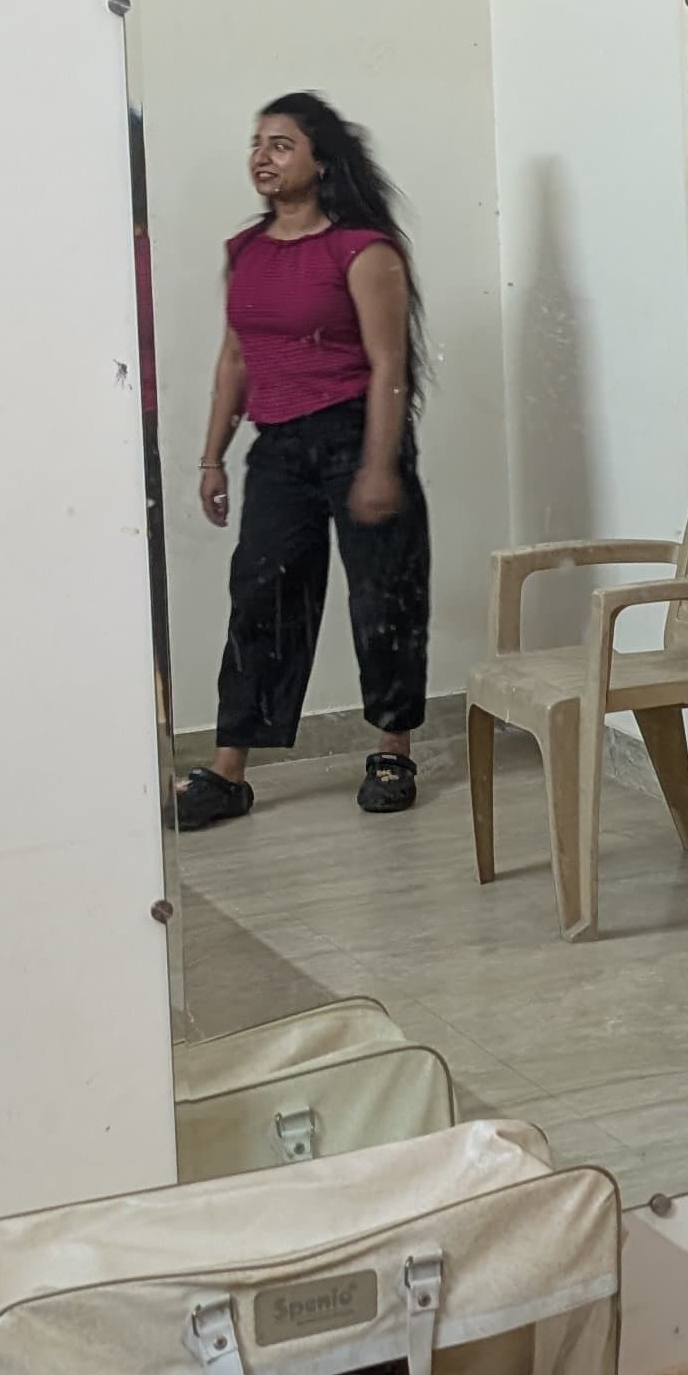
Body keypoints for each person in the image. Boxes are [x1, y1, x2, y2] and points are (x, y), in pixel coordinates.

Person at [173, 93, 432, 828]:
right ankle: (230, 772)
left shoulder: (364, 250)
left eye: (281, 144)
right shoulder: (245, 251)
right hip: (279, 446)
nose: (263, 156)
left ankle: (393, 749)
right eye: (257, 143)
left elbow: (389, 367)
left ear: (321, 163)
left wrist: (379, 465)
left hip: (358, 433)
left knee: (383, 598)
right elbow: (235, 358)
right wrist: (212, 457)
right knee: (261, 598)